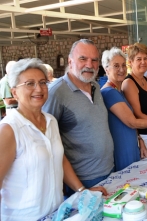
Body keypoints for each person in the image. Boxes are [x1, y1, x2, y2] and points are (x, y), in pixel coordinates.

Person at [0, 58, 105, 221]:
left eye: (43, 82)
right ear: (14, 92)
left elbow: (59, 159)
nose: (38, 89)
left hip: (56, 213)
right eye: (29, 83)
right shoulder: (9, 129)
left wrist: (82, 190)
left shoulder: (50, 121)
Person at [42, 39, 114, 196]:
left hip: (108, 170)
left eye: (94, 60)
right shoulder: (56, 93)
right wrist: (79, 188)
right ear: (70, 61)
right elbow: (47, 141)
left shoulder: (95, 85)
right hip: (82, 180)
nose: (90, 64)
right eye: (83, 59)